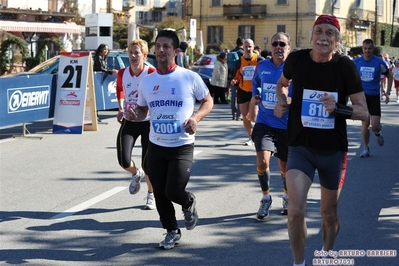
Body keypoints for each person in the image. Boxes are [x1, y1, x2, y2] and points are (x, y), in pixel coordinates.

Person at [274, 15, 368, 266]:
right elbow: (281, 85)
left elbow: (363, 111)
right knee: (294, 212)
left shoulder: (345, 66)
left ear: (336, 41)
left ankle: (327, 255)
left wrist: (338, 109)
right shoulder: (296, 59)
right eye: (319, 32)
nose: (323, 37)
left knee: (328, 214)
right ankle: (299, 263)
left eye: (329, 33)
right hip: (300, 147)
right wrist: (282, 103)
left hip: (333, 151)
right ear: (311, 35)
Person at [126, 30, 213, 250]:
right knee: (159, 190)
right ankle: (171, 231)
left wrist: (196, 118)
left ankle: (188, 201)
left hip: (181, 146)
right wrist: (133, 115)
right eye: (158, 46)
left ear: (175, 51)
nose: (161, 50)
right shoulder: (147, 81)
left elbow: (207, 101)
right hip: (156, 144)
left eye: (166, 46)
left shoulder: (189, 77)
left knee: (173, 191)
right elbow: (143, 110)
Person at [250, 32, 292, 220]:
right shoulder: (261, 66)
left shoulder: (294, 69)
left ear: (288, 47)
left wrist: (287, 103)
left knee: (284, 165)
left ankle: (286, 195)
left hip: (286, 125)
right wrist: (256, 95)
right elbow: (256, 83)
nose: (278, 47)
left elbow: (301, 94)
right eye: (275, 43)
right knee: (263, 160)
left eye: (282, 44)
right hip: (265, 121)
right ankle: (266, 197)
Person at [115, 40, 156, 210]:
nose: (132, 56)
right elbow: (120, 89)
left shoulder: (151, 72)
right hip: (129, 121)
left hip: (148, 123)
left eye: (136, 52)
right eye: (130, 52)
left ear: (144, 55)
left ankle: (151, 195)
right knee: (123, 160)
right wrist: (120, 107)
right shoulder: (122, 73)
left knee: (148, 165)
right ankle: (135, 173)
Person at [354, 39, 389, 158]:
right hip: (362, 98)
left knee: (374, 125)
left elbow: (390, 75)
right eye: (365, 48)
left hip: (374, 97)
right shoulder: (356, 62)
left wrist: (388, 92)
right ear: (362, 49)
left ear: (373, 49)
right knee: (365, 124)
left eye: (369, 48)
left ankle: (378, 133)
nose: (367, 51)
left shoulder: (379, 62)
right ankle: (365, 148)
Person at [231, 38, 263, 146]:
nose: (248, 48)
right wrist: (234, 80)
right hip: (243, 91)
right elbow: (237, 76)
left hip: (255, 91)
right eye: (246, 46)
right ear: (243, 47)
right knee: (245, 117)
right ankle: (252, 136)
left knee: (253, 117)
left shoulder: (259, 60)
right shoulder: (239, 61)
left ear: (253, 47)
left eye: (250, 46)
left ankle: (260, 133)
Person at [229, 37, 244, 121]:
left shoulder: (231, 52)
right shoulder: (242, 53)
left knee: (233, 96)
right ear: (242, 44)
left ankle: (233, 114)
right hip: (239, 77)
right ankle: (239, 114)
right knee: (239, 96)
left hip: (231, 76)